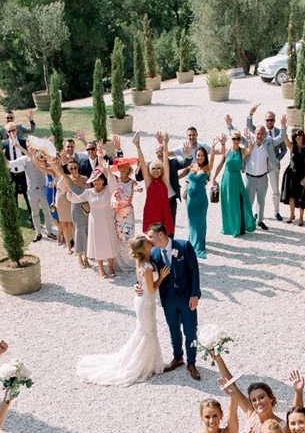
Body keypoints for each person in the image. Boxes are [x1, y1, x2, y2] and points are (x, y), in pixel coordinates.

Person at [76, 237, 167, 386]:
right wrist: (161, 277)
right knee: (147, 332)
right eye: (147, 244)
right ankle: (142, 364)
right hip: (146, 302)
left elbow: (141, 283)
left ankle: (148, 362)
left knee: (144, 331)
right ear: (144, 249)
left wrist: (138, 286)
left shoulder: (141, 262)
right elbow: (151, 288)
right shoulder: (148, 267)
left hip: (142, 300)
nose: (151, 244)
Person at [146, 222, 201, 381]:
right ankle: (178, 358)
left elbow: (194, 271)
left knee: (191, 330)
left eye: (151, 236)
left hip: (186, 297)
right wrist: (137, 285)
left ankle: (192, 362)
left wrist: (195, 295)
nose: (149, 240)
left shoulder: (184, 246)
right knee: (173, 330)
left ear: (161, 235)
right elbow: (145, 271)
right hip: (168, 298)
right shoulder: (154, 252)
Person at [63, 162, 118, 278]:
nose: (97, 182)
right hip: (95, 222)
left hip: (107, 221)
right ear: (92, 182)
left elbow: (113, 182)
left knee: (109, 243)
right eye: (95, 180)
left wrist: (107, 169)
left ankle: (111, 266)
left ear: (103, 180)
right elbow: (75, 197)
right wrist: (69, 191)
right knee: (98, 244)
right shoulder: (88, 193)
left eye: (99, 180)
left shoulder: (108, 190)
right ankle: (101, 268)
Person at [211, 130, 255, 237]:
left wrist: (249, 138)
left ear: (240, 140)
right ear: (231, 139)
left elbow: (250, 150)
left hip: (237, 179)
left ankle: (238, 227)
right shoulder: (226, 150)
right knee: (227, 203)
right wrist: (214, 177)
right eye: (234, 139)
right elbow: (220, 164)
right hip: (226, 179)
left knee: (240, 202)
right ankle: (229, 227)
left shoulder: (242, 151)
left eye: (238, 139)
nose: (236, 141)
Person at [137, 133, 175, 238]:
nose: (156, 171)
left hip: (163, 210)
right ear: (150, 170)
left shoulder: (164, 180)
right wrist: (138, 146)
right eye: (153, 168)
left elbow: (166, 163)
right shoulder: (148, 181)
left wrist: (165, 145)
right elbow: (143, 164)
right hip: (151, 210)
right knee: (151, 237)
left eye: (159, 168)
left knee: (163, 236)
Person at [180, 145, 214, 258]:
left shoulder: (207, 168)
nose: (200, 157)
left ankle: (199, 245)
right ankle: (191, 242)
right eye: (198, 155)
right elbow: (181, 173)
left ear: (205, 156)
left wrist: (216, 147)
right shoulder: (192, 165)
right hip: (190, 199)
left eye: (202, 155)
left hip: (201, 200)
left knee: (200, 223)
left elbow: (214, 158)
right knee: (192, 222)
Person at [280, 123, 305, 226]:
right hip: (291, 173)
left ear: (303, 137)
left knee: (301, 197)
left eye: (299, 137)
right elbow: (284, 137)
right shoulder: (292, 146)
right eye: (296, 137)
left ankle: (300, 217)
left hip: (301, 174)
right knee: (291, 196)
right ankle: (291, 215)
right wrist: (283, 126)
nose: (298, 139)